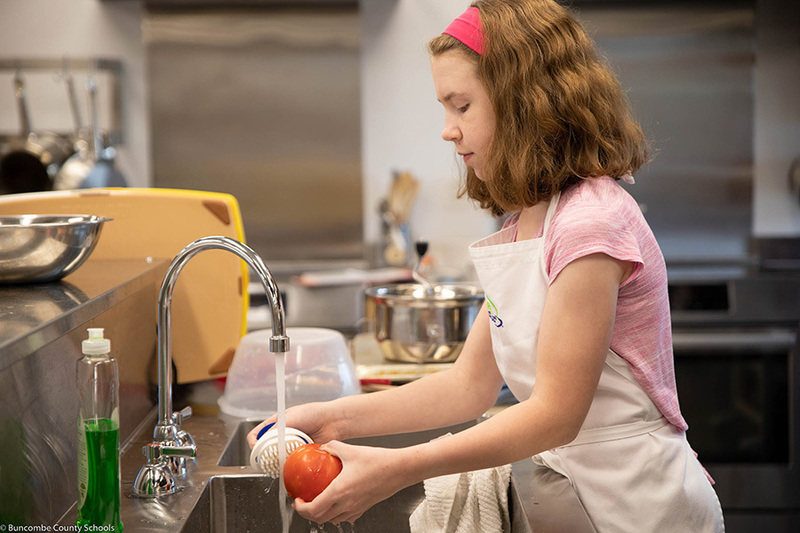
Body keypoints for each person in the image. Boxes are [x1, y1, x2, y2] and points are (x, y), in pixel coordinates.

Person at [248, 1, 725, 531]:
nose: (448, 131)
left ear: (525, 102)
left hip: (636, 502)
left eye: (462, 106)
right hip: (573, 488)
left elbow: (556, 414)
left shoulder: (591, 223)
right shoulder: (531, 217)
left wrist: (397, 468)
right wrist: (333, 416)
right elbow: (469, 385)